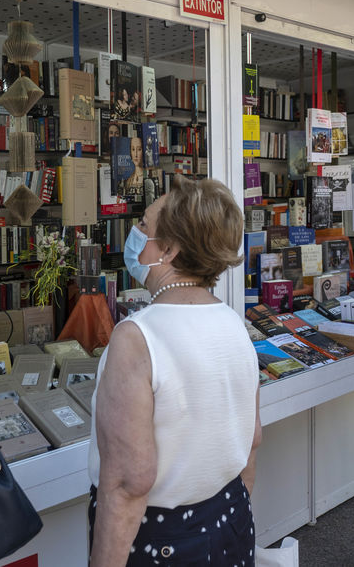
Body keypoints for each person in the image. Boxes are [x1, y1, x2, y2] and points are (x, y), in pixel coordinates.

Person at [89, 176, 260, 566]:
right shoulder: (233, 322)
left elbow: (129, 484)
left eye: (145, 226)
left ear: (167, 249)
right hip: (230, 521)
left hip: (158, 539)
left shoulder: (137, 337)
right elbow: (252, 440)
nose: (136, 234)